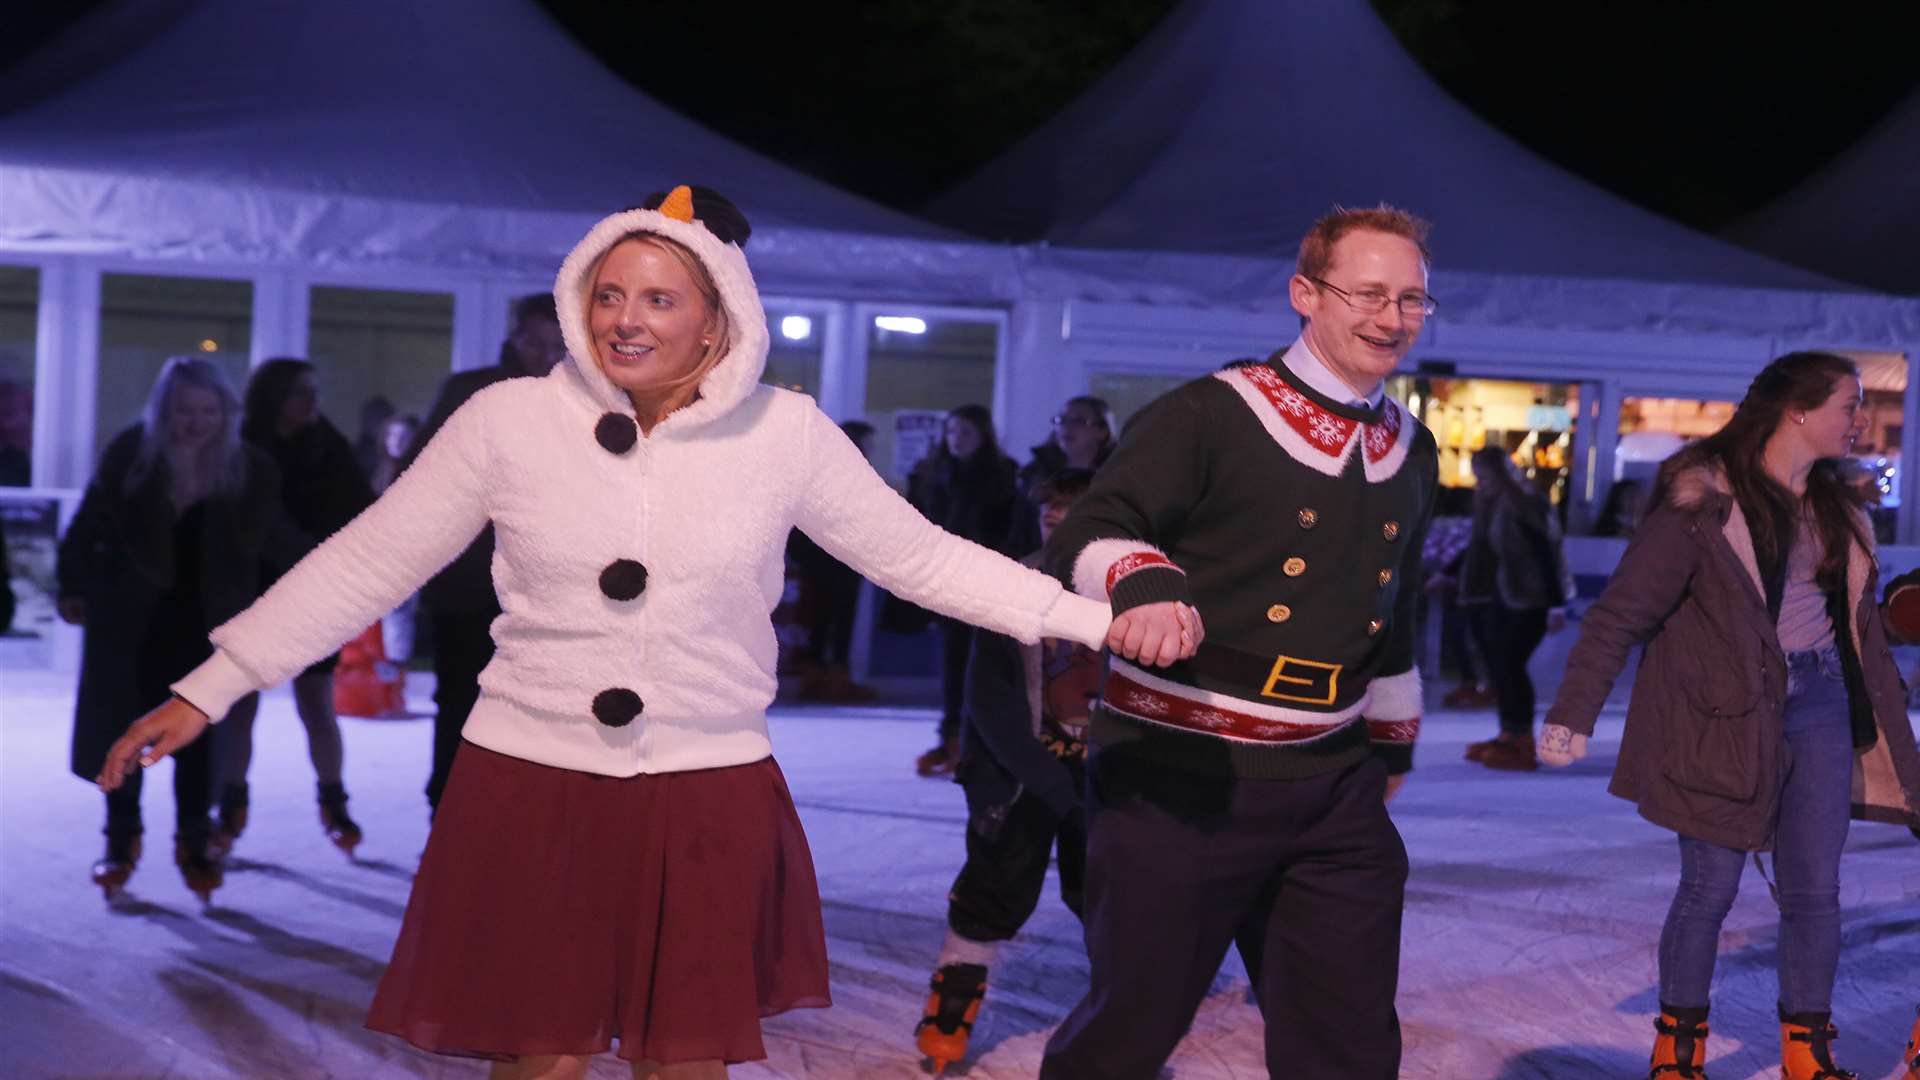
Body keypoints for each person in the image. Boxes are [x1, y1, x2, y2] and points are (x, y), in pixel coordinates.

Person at [97, 185, 1133, 1079]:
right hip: (528, 780)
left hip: (704, 786)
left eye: (657, 299)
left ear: (717, 321)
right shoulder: (510, 420)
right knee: (536, 1054)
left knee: (683, 1056)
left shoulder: (785, 435)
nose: (624, 320)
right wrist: (213, 684)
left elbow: (925, 559)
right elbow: (372, 558)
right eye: (607, 293)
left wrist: (1095, 622)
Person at [1039, 205, 1439, 1079]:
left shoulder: (1411, 444)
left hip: (1334, 781)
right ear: (1305, 293)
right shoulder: (1211, 412)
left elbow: (1396, 594)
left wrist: (1391, 727)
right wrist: (1141, 577)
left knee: (1350, 1041)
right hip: (1180, 776)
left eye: (1411, 299)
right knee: (1130, 1030)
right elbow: (1092, 526)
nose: (1391, 317)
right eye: (1368, 293)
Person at [1540, 351, 1920, 1080]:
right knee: (1709, 887)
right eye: (1851, 403)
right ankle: (1677, 1048)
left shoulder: (1840, 508)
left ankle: (1806, 1051)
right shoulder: (1703, 507)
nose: (1861, 420)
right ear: (1798, 411)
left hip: (1821, 706)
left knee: (1815, 889)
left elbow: (1860, 632)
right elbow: (1620, 615)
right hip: (1720, 715)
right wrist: (1573, 712)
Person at [59, 357, 308, 901]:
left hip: (207, 624)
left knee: (199, 736)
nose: (195, 422)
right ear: (162, 411)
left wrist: (329, 580)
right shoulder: (131, 457)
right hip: (131, 623)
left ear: (225, 413)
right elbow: (87, 524)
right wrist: (72, 586)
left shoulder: (249, 470)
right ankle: (120, 839)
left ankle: (194, 839)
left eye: (206, 411)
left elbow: (279, 540)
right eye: (183, 411)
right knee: (122, 731)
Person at [914, 467, 1101, 1073]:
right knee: (992, 892)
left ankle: (1126, 1023)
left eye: (1070, 509)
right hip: (1019, 775)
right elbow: (989, 702)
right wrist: (1045, 781)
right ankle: (951, 1015)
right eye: (1049, 510)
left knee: (1112, 896)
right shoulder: (1012, 586)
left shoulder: (1133, 592)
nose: (1055, 518)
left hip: (1106, 776)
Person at [403, 292, 566, 817]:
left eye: (555, 342)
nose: (544, 353)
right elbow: (421, 472)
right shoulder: (475, 391)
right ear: (516, 338)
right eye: (536, 341)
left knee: (531, 708)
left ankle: (508, 815)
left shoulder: (580, 400)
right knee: (461, 699)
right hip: (469, 579)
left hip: (542, 586)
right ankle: (449, 809)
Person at [213, 358, 377, 856]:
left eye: (314, 391)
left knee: (316, 702)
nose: (311, 402)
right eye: (299, 393)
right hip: (252, 593)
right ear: (273, 398)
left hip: (312, 593)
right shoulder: (242, 449)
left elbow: (362, 509)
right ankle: (230, 808)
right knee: (240, 706)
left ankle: (334, 803)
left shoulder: (328, 447)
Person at [907, 404, 1020, 776]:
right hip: (945, 583)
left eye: (966, 432)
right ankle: (952, 737)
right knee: (953, 665)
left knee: (984, 666)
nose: (957, 440)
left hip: (987, 584)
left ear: (983, 436)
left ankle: (978, 741)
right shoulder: (934, 475)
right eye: (952, 432)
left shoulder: (1003, 478)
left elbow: (1006, 534)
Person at [1458, 445, 1572, 771]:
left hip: (1531, 597)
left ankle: (1521, 738)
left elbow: (1547, 552)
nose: (1480, 480)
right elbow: (1483, 550)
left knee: (1510, 664)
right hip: (1504, 595)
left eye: (1484, 473)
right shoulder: (1493, 504)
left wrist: (1556, 603)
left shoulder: (1525, 504)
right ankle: (1509, 732)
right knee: (1501, 664)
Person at [1004, 395, 1117, 554]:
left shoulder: (1114, 478)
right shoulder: (1032, 476)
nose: (1067, 427)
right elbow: (1019, 533)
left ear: (1102, 431)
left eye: (1078, 421)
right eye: (1062, 419)